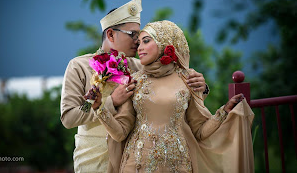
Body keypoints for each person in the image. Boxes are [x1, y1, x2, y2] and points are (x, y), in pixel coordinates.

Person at [60, 0, 208, 172]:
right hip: (94, 159)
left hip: (132, 159)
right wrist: (111, 102)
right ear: (110, 34)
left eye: (140, 35)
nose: (138, 41)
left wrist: (201, 86)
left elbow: (174, 93)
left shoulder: (140, 67)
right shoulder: (79, 66)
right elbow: (69, 118)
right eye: (132, 35)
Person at [91, 20, 254, 173]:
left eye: (146, 41)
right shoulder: (133, 81)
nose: (139, 47)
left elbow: (199, 132)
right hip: (136, 165)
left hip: (179, 166)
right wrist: (99, 108)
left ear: (165, 43)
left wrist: (224, 111)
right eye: (139, 42)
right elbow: (120, 133)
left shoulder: (188, 78)